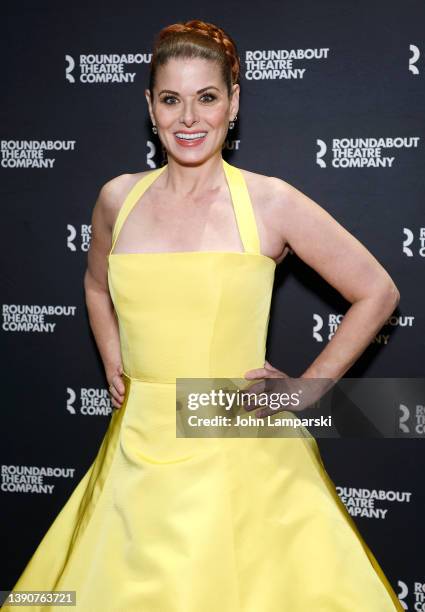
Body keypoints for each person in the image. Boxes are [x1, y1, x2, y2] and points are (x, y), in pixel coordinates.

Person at [3, 19, 403, 612]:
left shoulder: (270, 201)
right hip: (136, 452)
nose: (189, 119)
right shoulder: (119, 198)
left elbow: (377, 291)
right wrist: (116, 362)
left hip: (237, 447)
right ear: (150, 105)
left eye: (207, 98)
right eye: (172, 100)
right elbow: (95, 286)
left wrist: (308, 389)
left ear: (233, 102)